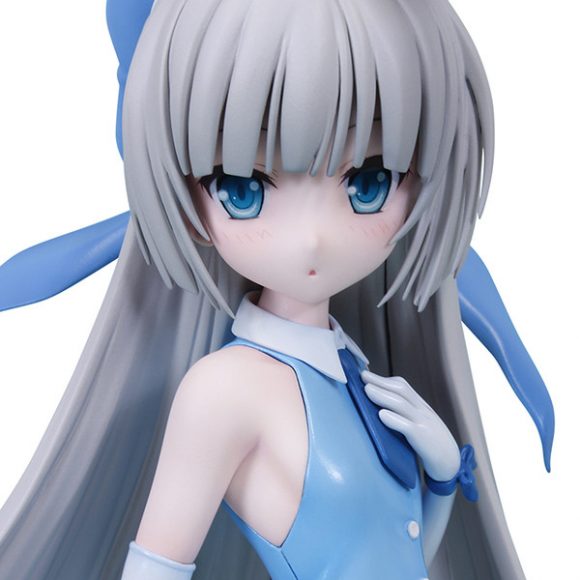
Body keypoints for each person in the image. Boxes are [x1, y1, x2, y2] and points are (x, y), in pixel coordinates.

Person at [0, 0, 554, 578]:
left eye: (369, 182)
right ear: (186, 202)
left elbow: (397, 554)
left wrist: (440, 480)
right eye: (243, 188)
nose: (312, 239)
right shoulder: (224, 391)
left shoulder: (356, 370)